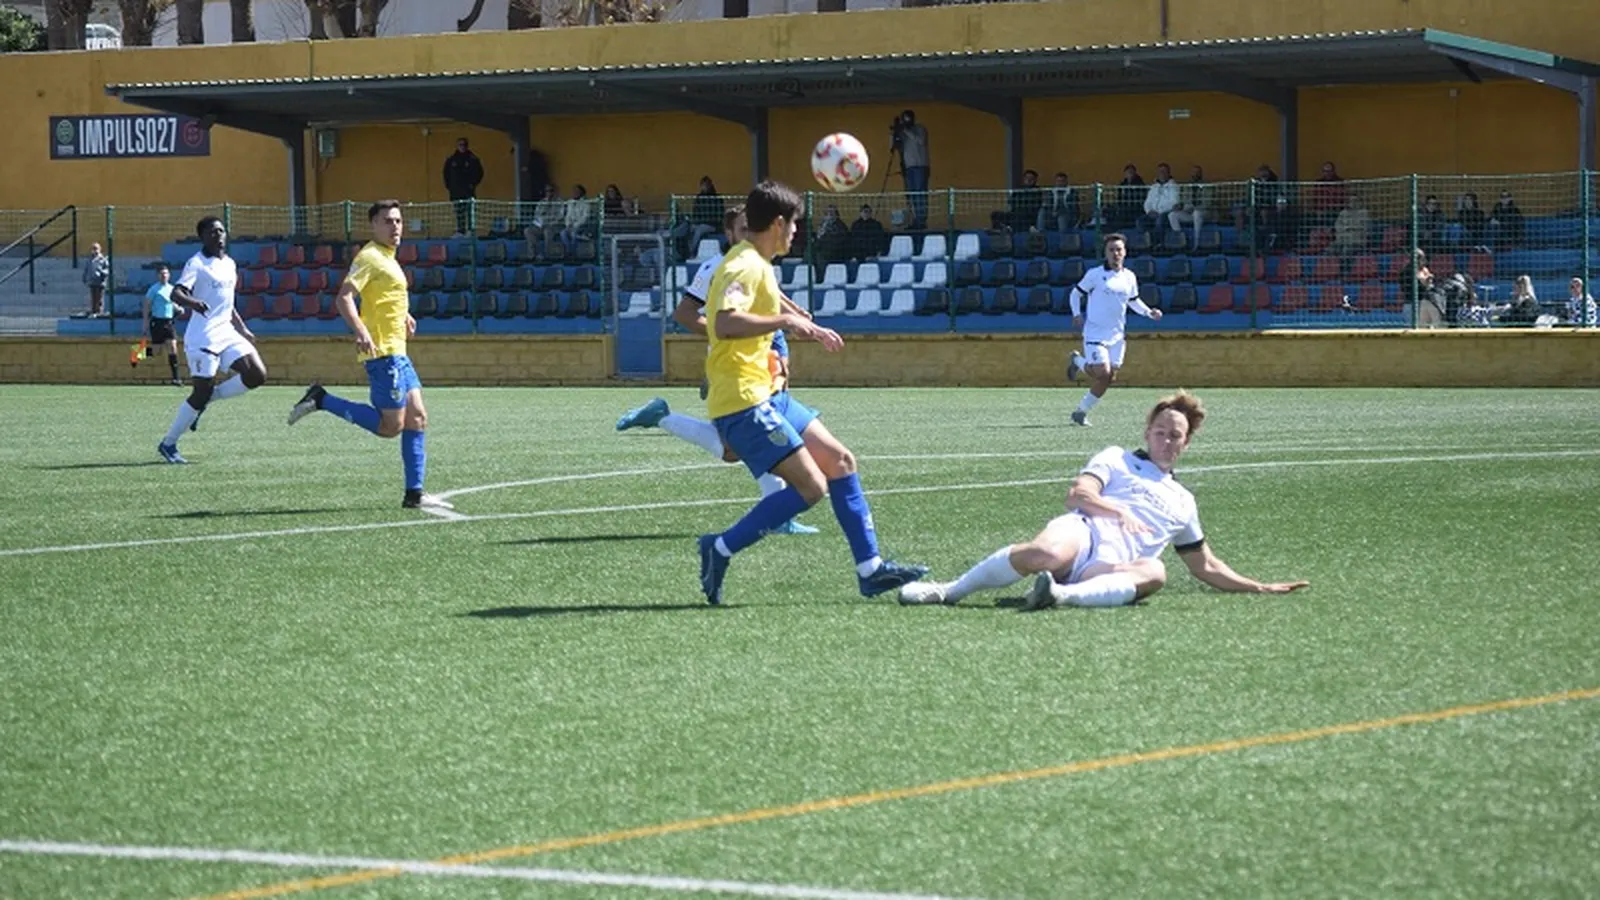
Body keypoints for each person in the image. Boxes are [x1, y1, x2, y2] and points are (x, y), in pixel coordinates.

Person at [694, 179, 928, 605]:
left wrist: (805, 322)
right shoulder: (743, 265)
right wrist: (786, 322)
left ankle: (871, 570)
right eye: (794, 224)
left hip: (767, 393)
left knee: (840, 461)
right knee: (811, 487)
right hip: (744, 400)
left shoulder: (756, 262)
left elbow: (761, 299)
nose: (796, 232)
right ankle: (720, 548)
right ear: (777, 224)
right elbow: (725, 323)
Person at [896, 391, 1309, 609]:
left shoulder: (1184, 501)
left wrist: (1258, 587)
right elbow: (1078, 494)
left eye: (1175, 436)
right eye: (1160, 432)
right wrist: (1116, 509)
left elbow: (1205, 565)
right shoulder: (1117, 458)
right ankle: (948, 591)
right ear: (1147, 433)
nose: (1166, 441)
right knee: (1044, 553)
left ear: (1186, 443)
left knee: (1156, 571)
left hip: (1112, 567)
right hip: (1083, 535)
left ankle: (1059, 596)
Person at [616, 205, 818, 536]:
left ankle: (779, 511)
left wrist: (795, 312)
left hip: (767, 348)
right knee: (738, 445)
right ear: (729, 234)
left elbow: (770, 293)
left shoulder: (759, 262)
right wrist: (721, 333)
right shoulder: (717, 267)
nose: (750, 235)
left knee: (751, 437)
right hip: (737, 358)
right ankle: (663, 418)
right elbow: (684, 313)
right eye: (742, 229)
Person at [286, 200, 451, 511]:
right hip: (383, 353)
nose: (395, 227)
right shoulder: (370, 256)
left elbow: (384, 297)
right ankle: (322, 399)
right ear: (373, 225)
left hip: (399, 352)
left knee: (418, 417)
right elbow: (344, 298)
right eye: (387, 221)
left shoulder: (389, 258)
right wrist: (361, 331)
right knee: (391, 427)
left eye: (398, 221)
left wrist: (405, 315)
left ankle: (414, 494)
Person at [156, 216, 268, 464]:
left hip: (226, 331)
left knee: (256, 375)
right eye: (212, 232)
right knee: (200, 392)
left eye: (221, 230)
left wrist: (242, 329)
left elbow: (227, 303)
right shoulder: (196, 263)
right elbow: (176, 293)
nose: (218, 235)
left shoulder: (230, 264)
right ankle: (168, 443)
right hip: (203, 336)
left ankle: (207, 400)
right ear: (203, 237)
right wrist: (194, 303)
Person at [1065, 233, 1163, 426]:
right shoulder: (1095, 274)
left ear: (1125, 252)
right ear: (1106, 253)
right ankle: (1078, 361)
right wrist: (1076, 313)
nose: (1115, 253)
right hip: (1095, 333)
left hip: (1117, 335)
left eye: (1119, 249)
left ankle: (1081, 412)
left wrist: (1149, 312)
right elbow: (1076, 294)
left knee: (1109, 377)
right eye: (1111, 250)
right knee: (1102, 372)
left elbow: (1133, 301)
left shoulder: (1129, 277)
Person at [141, 262, 182, 385]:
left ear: (169, 275)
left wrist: (178, 308)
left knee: (173, 347)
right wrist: (145, 323)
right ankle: (137, 352)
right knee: (156, 352)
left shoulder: (172, 289)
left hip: (169, 322)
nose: (164, 276)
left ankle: (176, 378)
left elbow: (172, 304)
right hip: (157, 322)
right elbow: (147, 305)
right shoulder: (154, 289)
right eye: (162, 274)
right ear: (157, 275)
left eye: (166, 273)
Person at [891, 110, 931, 230]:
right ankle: (914, 220)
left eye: (907, 118)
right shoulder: (903, 132)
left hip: (920, 166)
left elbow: (921, 141)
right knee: (912, 195)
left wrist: (906, 130)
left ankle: (921, 220)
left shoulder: (920, 129)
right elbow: (894, 147)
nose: (906, 121)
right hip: (908, 167)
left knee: (920, 194)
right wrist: (895, 133)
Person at [442, 137, 484, 238]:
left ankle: (470, 231)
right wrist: (449, 186)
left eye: (464, 145)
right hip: (456, 191)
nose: (462, 147)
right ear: (457, 146)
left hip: (468, 190)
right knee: (459, 212)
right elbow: (446, 174)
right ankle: (460, 231)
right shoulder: (451, 160)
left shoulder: (473, 159)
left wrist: (473, 184)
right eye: (460, 145)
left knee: (470, 212)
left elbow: (480, 173)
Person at [80, 243, 110, 318]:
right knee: (93, 298)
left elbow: (107, 270)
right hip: (92, 281)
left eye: (96, 249)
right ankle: (93, 312)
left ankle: (100, 312)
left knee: (99, 298)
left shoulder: (103, 259)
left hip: (100, 282)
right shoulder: (90, 260)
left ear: (100, 249)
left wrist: (102, 272)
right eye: (93, 249)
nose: (95, 251)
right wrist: (84, 277)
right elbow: (86, 269)